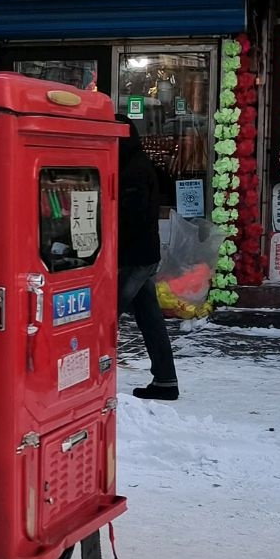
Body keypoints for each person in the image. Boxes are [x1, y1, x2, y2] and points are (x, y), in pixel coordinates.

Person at [117, 120, 179, 401]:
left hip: (134, 258)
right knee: (150, 319)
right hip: (143, 255)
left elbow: (130, 218)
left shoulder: (134, 171)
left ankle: (90, 379)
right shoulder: (136, 164)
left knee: (103, 318)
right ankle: (166, 380)